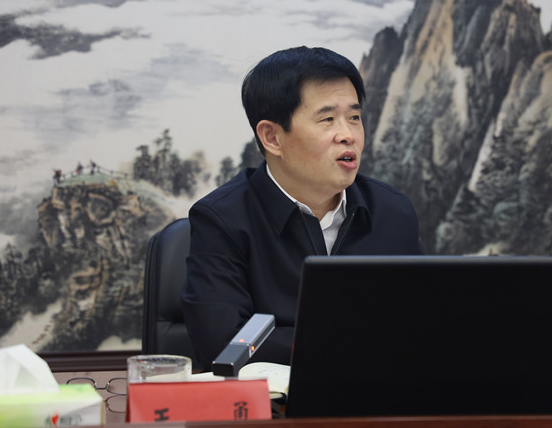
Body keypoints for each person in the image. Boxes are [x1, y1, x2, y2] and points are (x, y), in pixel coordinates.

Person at [181, 46, 424, 371]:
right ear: (272, 137)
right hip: (274, 401)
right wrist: (358, 342)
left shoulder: (392, 211)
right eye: (327, 119)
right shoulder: (222, 219)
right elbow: (224, 343)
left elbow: (423, 322)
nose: (348, 135)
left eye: (354, 117)